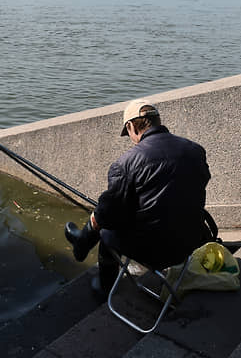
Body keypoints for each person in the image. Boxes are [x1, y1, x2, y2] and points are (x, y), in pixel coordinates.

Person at [65, 98, 215, 297]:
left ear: (130, 126)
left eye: (127, 132)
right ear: (158, 121)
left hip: (157, 251)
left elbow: (108, 215)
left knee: (107, 232)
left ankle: (102, 285)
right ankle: (81, 243)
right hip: (192, 241)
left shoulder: (126, 163)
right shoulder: (195, 150)